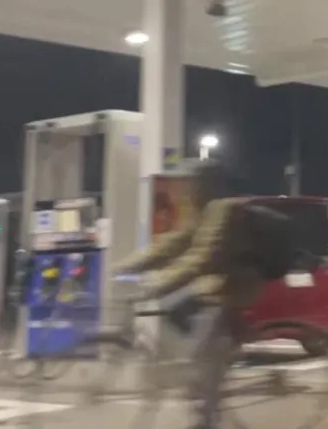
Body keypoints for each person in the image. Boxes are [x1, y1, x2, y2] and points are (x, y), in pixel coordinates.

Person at [112, 161, 266, 429]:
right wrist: (125, 266)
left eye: (192, 184)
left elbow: (200, 259)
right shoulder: (206, 212)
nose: (188, 191)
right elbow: (172, 245)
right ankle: (208, 373)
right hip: (216, 286)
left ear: (206, 184)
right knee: (176, 311)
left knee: (202, 354)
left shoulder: (222, 210)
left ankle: (205, 418)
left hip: (231, 289)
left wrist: (158, 284)